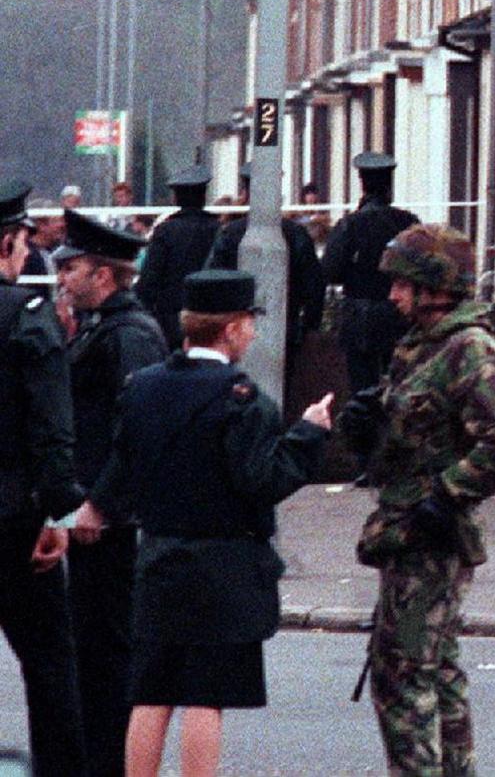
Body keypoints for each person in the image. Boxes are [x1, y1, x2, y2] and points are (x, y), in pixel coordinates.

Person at [76, 270, 332, 777]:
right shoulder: (243, 400)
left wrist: (94, 510)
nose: (254, 334)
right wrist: (308, 434)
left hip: (159, 557)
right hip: (225, 567)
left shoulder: (144, 389)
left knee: (151, 693)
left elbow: (121, 466)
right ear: (232, 328)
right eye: (250, 324)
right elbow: (261, 479)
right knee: (204, 698)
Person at [341, 225, 495, 775]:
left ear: (436, 288)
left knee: (402, 675)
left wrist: (446, 497)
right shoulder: (423, 346)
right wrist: (367, 430)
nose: (393, 295)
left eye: (403, 284)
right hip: (406, 526)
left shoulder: (469, 350)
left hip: (431, 533)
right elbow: (411, 433)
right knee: (435, 669)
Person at [53, 210, 167, 776]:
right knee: (90, 651)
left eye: (72, 268)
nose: (62, 278)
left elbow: (137, 432)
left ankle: (112, 764)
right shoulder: (102, 327)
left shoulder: (131, 336)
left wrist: (103, 502)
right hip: (91, 513)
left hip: (111, 523)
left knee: (108, 651)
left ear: (104, 276)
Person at [0, 181, 89, 774]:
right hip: (13, 516)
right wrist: (60, 515)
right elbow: (51, 430)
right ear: (9, 243)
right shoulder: (28, 320)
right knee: (51, 665)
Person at [204, 162, 327, 368]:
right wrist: (306, 329)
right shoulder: (295, 234)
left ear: (246, 193)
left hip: (236, 332)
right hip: (285, 332)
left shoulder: (230, 233)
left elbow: (212, 281)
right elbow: (315, 285)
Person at [321, 153, 419, 394]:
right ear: (389, 186)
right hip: (398, 316)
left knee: (362, 388)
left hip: (359, 316)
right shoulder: (408, 223)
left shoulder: (349, 224)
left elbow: (330, 271)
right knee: (399, 384)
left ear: (362, 184)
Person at [133, 167, 223, 352]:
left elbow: (150, 278)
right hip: (210, 315)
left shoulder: (166, 230)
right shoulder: (219, 229)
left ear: (176, 198)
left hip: (171, 319)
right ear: (204, 196)